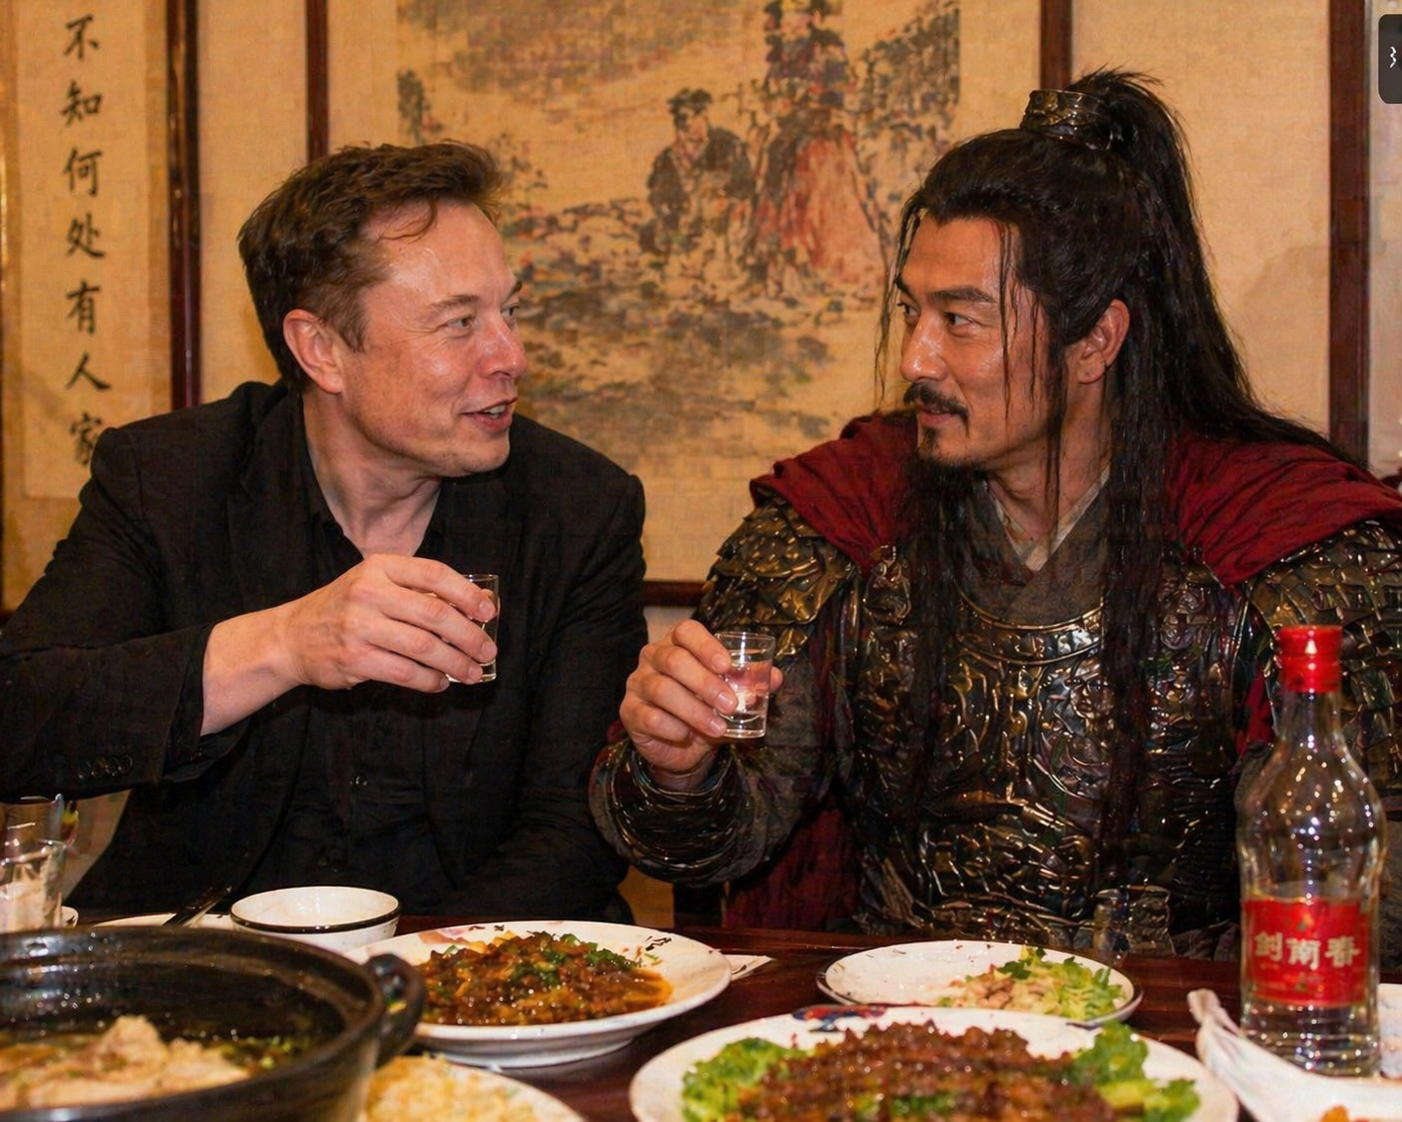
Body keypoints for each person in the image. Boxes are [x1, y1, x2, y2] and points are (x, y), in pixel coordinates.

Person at [591, 71, 1402, 961]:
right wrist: (678, 767)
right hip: (893, 1017)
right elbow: (710, 845)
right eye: (911, 310)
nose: (916, 357)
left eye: (961, 320)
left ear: (1094, 342)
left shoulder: (1278, 543)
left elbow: (1370, 891)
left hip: (1172, 1023)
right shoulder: (845, 517)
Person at [0, 141, 648, 921]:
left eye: (508, 312)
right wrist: (284, 644)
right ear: (321, 350)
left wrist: (408, 975)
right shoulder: (169, 479)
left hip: (462, 956)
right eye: (459, 324)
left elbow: (577, 827)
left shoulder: (577, 509)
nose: (511, 356)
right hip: (206, 957)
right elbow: (20, 721)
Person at [641, 88, 755, 277]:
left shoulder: (728, 146)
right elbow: (656, 195)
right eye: (680, 119)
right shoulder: (667, 159)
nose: (685, 124)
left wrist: (728, 200)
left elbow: (745, 186)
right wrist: (670, 213)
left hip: (723, 223)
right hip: (684, 226)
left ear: (704, 115)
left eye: (690, 117)